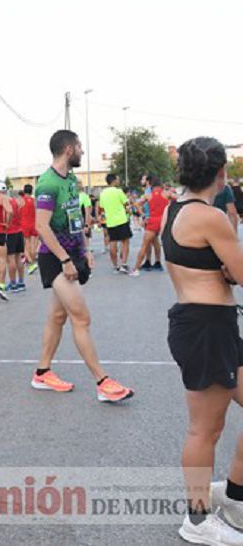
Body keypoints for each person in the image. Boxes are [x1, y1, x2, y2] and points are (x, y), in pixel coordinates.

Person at [157, 138, 243, 545]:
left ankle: (233, 495)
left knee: (209, 427)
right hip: (206, 327)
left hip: (207, 323)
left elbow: (211, 266)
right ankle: (196, 520)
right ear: (221, 174)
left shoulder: (173, 210)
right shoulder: (210, 217)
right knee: (204, 430)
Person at [31, 130, 133, 402]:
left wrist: (85, 250)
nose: (82, 151)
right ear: (68, 149)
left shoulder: (71, 180)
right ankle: (102, 382)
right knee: (81, 316)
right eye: (79, 146)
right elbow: (41, 226)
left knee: (58, 317)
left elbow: (75, 218)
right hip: (54, 258)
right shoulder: (47, 184)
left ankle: (42, 373)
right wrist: (65, 259)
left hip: (72, 254)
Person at [129, 175, 169, 276]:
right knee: (160, 243)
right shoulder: (166, 193)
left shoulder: (148, 195)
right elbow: (179, 199)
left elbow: (137, 204)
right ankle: (158, 263)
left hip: (152, 221)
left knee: (144, 245)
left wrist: (142, 215)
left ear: (150, 184)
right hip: (163, 221)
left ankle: (136, 269)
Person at [98, 174, 133, 273]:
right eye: (117, 179)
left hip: (110, 222)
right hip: (122, 220)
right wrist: (129, 212)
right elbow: (126, 204)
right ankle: (123, 264)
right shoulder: (119, 191)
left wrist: (102, 219)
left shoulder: (103, 193)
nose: (118, 180)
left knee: (113, 242)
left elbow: (102, 208)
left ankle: (115, 265)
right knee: (125, 241)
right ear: (113, 181)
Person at [4, 185, 26, 293]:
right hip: (19, 231)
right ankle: (21, 282)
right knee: (19, 258)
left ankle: (13, 284)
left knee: (11, 259)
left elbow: (7, 216)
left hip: (10, 232)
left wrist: (6, 225)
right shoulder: (16, 201)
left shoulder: (5, 203)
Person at [20, 185, 39, 275]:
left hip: (24, 224)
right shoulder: (34, 201)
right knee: (33, 245)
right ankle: (32, 261)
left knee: (25, 245)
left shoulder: (21, 201)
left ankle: (31, 263)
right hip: (33, 223)